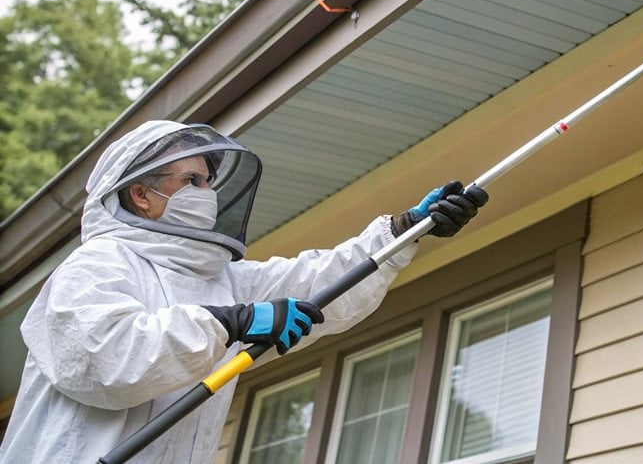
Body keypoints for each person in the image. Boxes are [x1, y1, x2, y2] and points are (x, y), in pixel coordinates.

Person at [0, 121, 488, 463]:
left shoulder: (223, 280)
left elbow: (322, 283)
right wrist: (227, 323)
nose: (206, 192)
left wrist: (403, 232)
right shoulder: (97, 266)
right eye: (191, 180)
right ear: (140, 194)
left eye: (209, 181)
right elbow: (106, 360)